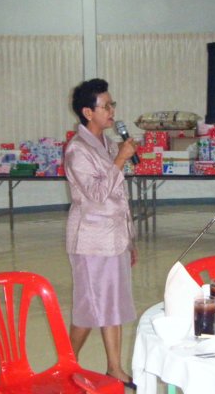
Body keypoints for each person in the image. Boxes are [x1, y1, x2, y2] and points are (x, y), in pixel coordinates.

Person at [64, 78, 138, 389]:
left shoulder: (106, 144)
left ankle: (114, 368)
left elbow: (118, 197)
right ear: (87, 112)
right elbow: (96, 194)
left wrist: (129, 240)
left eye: (112, 105)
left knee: (113, 304)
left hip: (114, 238)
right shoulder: (77, 150)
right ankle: (66, 363)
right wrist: (120, 159)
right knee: (89, 308)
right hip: (91, 242)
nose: (112, 111)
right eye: (105, 106)